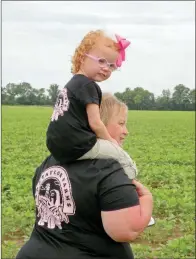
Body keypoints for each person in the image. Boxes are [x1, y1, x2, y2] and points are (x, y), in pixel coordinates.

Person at [16, 93, 153, 259]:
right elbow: (126, 231)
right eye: (121, 123)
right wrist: (147, 199)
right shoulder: (109, 170)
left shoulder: (49, 162)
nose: (126, 131)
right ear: (97, 123)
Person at [46, 29, 138, 179]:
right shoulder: (88, 85)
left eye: (111, 66)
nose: (106, 68)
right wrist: (111, 141)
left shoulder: (71, 84)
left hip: (56, 145)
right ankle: (128, 183)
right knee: (121, 156)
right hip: (77, 144)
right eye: (101, 61)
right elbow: (96, 123)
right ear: (82, 58)